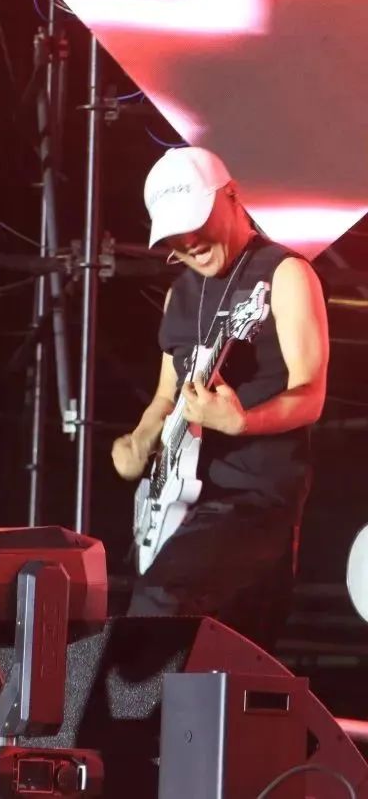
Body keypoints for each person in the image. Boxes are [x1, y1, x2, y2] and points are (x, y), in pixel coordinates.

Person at [111, 146, 328, 651]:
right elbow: (165, 398)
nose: (189, 243)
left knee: (160, 605)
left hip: (253, 498)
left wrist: (242, 422)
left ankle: (126, 705)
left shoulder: (285, 275)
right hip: (182, 502)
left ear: (232, 197)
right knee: (216, 656)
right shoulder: (178, 296)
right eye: (176, 237)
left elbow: (310, 396)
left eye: (196, 224)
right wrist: (137, 442)